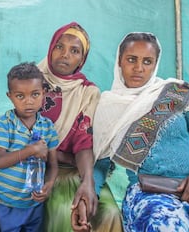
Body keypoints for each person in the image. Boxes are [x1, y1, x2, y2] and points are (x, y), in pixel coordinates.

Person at [93, 32, 189, 231]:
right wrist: (90, 192)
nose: (139, 68)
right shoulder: (108, 106)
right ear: (119, 61)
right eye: (132, 59)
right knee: (165, 224)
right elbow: (100, 163)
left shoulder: (175, 93)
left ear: (155, 64)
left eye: (147, 61)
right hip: (151, 192)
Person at [37, 22, 122, 231]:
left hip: (77, 169)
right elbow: (25, 140)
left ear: (82, 60)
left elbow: (84, 142)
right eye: (59, 46)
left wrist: (88, 182)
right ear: (50, 48)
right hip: (40, 170)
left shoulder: (88, 92)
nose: (65, 54)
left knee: (109, 211)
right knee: (62, 210)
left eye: (74, 51)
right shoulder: (32, 81)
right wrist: (61, 157)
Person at [0, 62, 59, 231]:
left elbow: (53, 165)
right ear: (10, 96)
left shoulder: (47, 127)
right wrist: (31, 150)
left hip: (34, 204)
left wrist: (48, 184)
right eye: (20, 96)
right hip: (6, 203)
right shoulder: (5, 124)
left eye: (35, 94)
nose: (29, 102)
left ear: (44, 93)